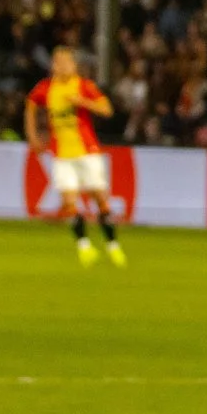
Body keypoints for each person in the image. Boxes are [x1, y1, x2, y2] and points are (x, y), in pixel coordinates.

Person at [24, 45, 123, 268]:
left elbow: (107, 109)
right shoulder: (46, 88)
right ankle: (84, 246)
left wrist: (82, 102)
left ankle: (112, 245)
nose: (59, 65)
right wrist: (32, 134)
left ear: (73, 65)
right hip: (61, 156)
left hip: (88, 153)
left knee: (100, 200)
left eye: (64, 61)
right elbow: (30, 104)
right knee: (69, 203)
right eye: (56, 61)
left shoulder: (83, 86)